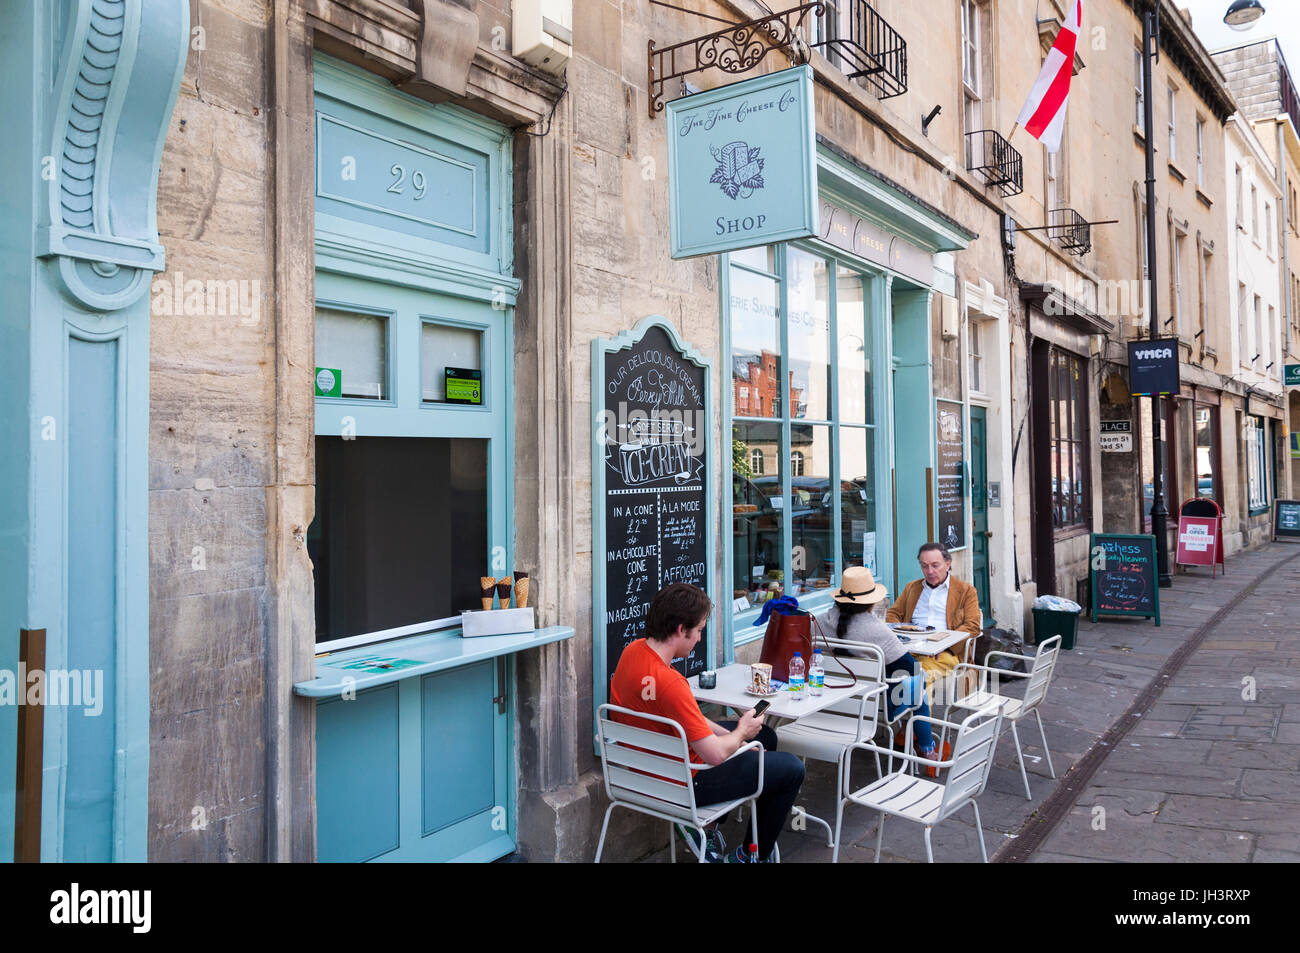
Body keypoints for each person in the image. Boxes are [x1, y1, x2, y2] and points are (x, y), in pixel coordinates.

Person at [609, 582, 805, 862]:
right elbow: (713, 753)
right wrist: (739, 735)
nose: (699, 639)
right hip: (684, 782)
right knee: (792, 769)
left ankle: (709, 827)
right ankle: (749, 856)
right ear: (680, 630)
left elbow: (687, 716)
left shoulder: (633, 652)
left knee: (765, 738)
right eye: (699, 631)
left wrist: (741, 738)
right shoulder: (670, 683)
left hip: (648, 768)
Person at [815, 565, 949, 777]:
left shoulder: (820, 622)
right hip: (874, 705)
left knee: (909, 684)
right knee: (918, 686)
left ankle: (907, 734)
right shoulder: (876, 630)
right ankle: (928, 750)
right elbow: (909, 668)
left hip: (830, 701)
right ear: (871, 601)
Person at [886, 542, 983, 661]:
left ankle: (912, 677)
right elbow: (893, 614)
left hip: (945, 651)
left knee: (919, 672)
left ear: (947, 564)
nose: (930, 571)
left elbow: (972, 626)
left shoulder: (966, 591)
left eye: (935, 565)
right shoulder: (912, 588)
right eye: (924, 566)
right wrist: (901, 637)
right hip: (910, 647)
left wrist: (943, 645)